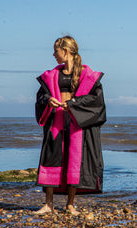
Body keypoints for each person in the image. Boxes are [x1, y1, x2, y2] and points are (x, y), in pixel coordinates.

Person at [35, 35, 106, 215]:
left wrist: (73, 104)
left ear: (65, 51)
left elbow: (95, 100)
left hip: (76, 122)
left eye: (56, 51)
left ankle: (70, 204)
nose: (53, 55)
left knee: (74, 162)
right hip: (56, 121)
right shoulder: (52, 75)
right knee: (52, 159)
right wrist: (48, 100)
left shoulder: (87, 76)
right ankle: (48, 204)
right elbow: (41, 95)